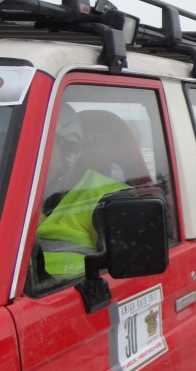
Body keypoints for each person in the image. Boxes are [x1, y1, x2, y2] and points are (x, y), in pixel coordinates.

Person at [35, 103, 129, 279]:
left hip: (72, 291)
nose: (29, 155)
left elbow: (126, 274)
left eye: (40, 146)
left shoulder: (110, 198)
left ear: (70, 150)